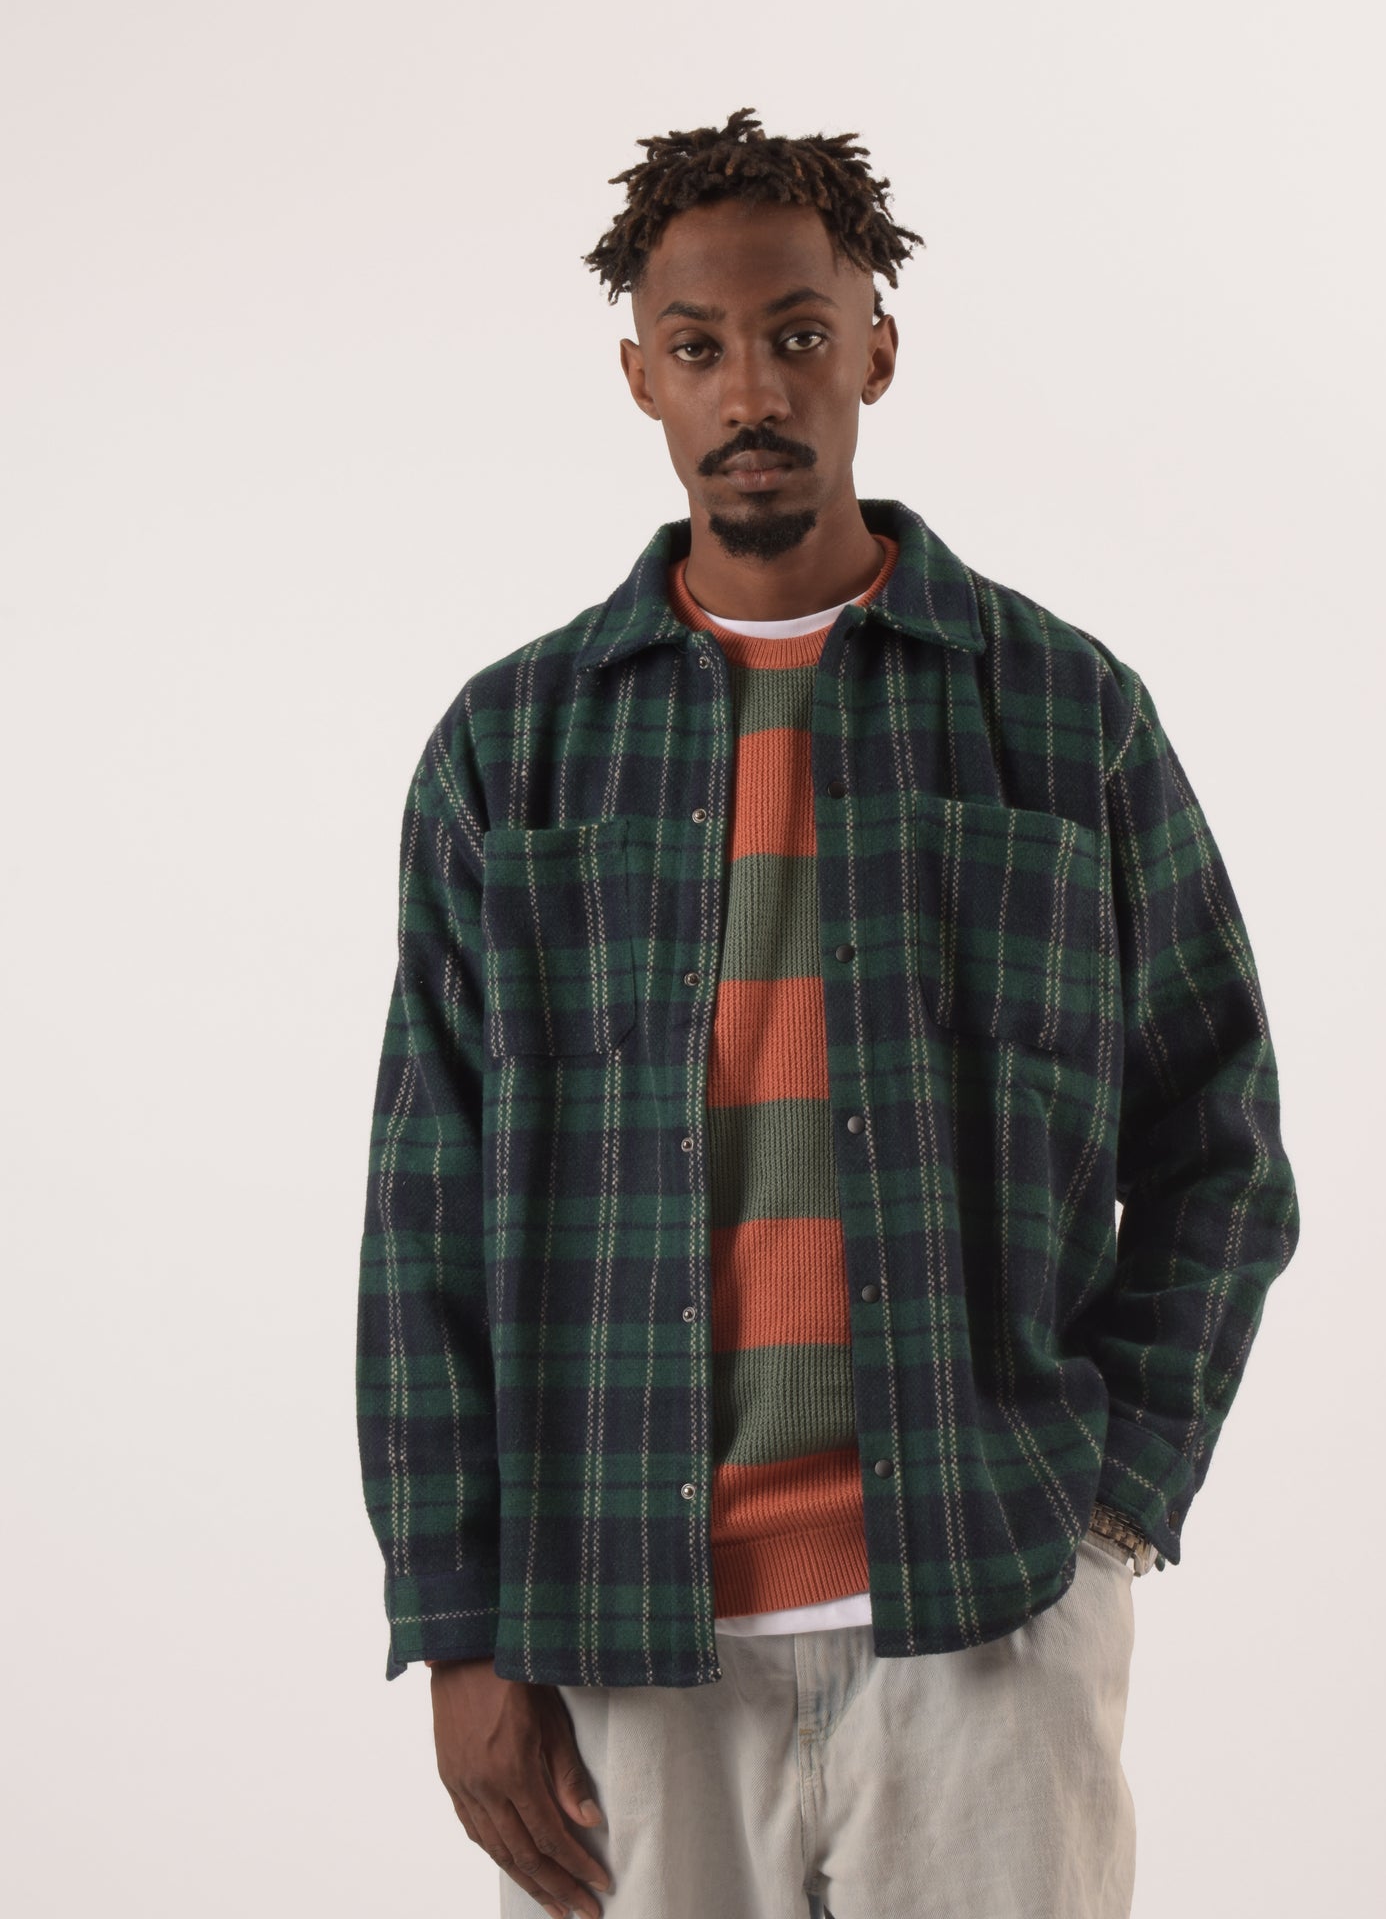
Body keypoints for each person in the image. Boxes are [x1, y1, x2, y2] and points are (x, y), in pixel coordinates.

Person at [355, 108, 1301, 1919]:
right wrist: (454, 1625)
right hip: (618, 1627)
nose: (753, 391)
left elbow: (1220, 1136)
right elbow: (424, 1216)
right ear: (639, 377)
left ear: (876, 346)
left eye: (798, 334)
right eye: (699, 346)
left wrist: (1111, 1503)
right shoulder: (512, 751)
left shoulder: (1062, 716)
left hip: (987, 1609)